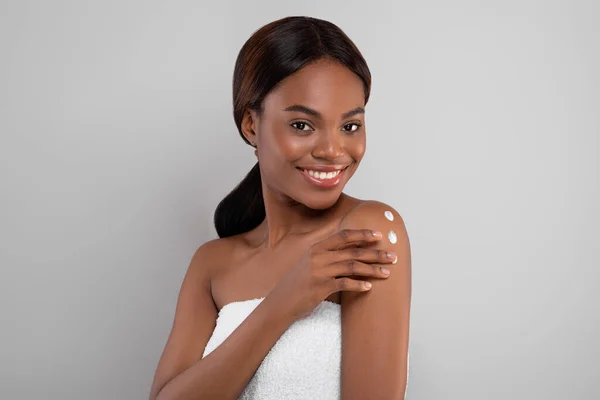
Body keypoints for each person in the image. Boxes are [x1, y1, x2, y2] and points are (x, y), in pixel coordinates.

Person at [149, 16, 411, 400]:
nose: (333, 151)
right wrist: (285, 301)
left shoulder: (365, 233)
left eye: (350, 127)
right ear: (251, 125)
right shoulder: (212, 264)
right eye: (303, 125)